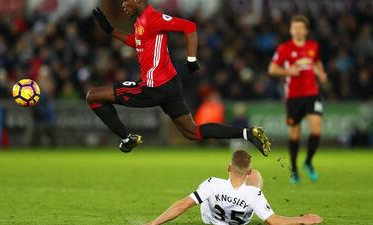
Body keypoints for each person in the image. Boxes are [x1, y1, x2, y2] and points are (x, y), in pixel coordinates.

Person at [86, 0, 271, 155]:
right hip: (170, 85)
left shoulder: (153, 18)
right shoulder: (141, 22)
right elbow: (137, 41)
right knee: (192, 132)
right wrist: (111, 30)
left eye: (126, 0)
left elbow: (189, 26)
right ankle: (248, 133)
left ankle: (127, 139)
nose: (123, 5)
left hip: (153, 87)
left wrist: (191, 59)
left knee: (93, 96)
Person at [144, 150, 323, 225]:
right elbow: (274, 220)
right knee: (256, 179)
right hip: (241, 219)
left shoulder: (212, 183)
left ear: (229, 167)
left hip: (211, 220)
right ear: (248, 171)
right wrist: (302, 219)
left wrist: (153, 223)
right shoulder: (255, 194)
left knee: (202, 197)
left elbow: (183, 204)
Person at [268, 15, 327, 184]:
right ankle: (294, 168)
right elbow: (272, 69)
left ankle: (308, 162)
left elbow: (316, 62)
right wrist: (288, 72)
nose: (298, 30)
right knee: (295, 133)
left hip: (312, 93)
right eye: (295, 28)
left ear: (306, 31)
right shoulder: (284, 48)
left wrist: (320, 73)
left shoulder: (313, 46)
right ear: (291, 30)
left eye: (301, 28)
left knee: (316, 128)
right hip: (293, 96)